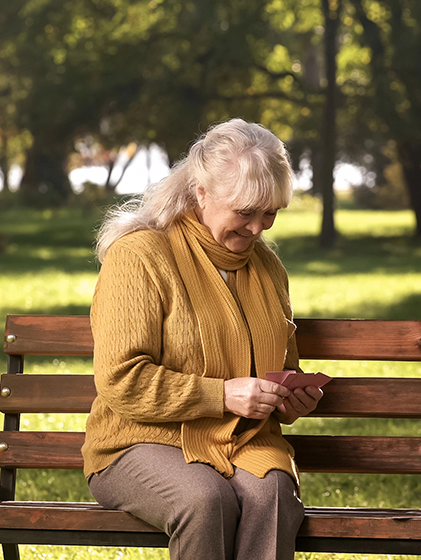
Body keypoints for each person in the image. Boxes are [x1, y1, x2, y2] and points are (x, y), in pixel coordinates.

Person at [82, 118, 322, 560]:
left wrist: (289, 397)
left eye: (270, 213)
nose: (258, 228)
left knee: (272, 497)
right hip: (140, 441)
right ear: (202, 193)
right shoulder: (140, 256)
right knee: (205, 500)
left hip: (243, 441)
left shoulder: (268, 268)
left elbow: (283, 366)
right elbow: (121, 379)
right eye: (245, 212)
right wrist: (223, 395)